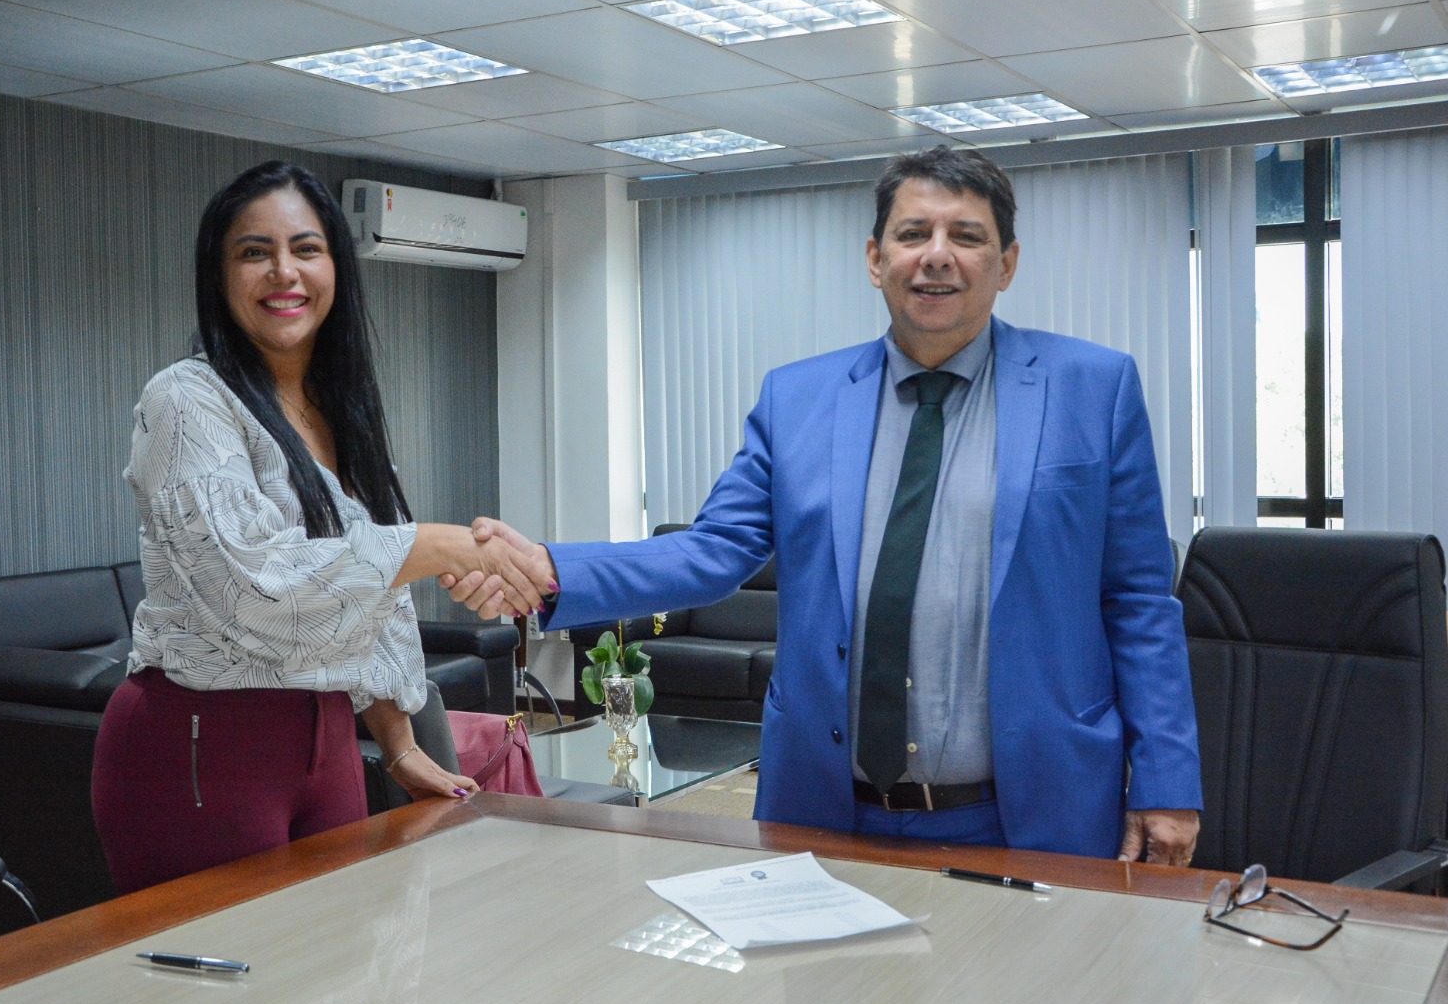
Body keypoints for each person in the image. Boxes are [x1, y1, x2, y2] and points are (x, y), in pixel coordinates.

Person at [446, 147, 1202, 865]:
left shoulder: (1092, 390)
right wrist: (550, 567)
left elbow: (1137, 598)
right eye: (913, 233)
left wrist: (1168, 782)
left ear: (1005, 263)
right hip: (828, 806)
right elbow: (711, 551)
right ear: (876, 259)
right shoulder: (798, 398)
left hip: (1031, 810)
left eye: (966, 236)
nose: (937, 254)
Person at [91, 160, 554, 894]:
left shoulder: (339, 409)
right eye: (254, 251)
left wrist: (398, 744)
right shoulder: (186, 399)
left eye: (306, 248)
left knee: (337, 978)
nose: (284, 272)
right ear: (218, 274)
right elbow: (256, 590)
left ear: (336, 265)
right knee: (227, 996)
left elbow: (364, 596)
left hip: (326, 739)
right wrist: (442, 546)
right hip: (201, 746)